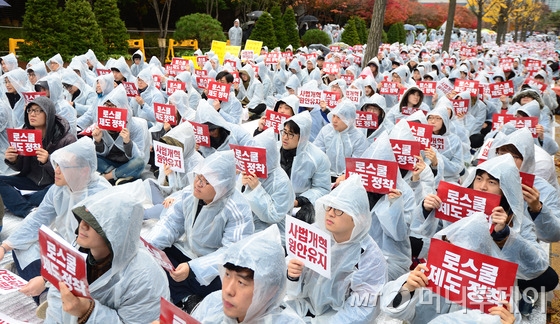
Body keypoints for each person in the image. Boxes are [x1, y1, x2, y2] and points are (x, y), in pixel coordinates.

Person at [0, 137, 111, 305]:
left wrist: (46, 279)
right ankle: (47, 293)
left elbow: (96, 252)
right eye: (57, 165)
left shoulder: (101, 196)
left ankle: (47, 292)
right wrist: (4, 247)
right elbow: (37, 220)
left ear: (84, 170)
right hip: (66, 248)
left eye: (64, 167)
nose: (56, 171)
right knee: (22, 244)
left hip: (92, 259)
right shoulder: (58, 189)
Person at [44, 187, 170, 323]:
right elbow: (57, 300)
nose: (82, 225)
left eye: (95, 223)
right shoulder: (76, 251)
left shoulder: (144, 278)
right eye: (83, 217)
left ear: (116, 230)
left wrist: (88, 312)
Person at [147, 150, 254, 306]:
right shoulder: (190, 195)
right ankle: (187, 297)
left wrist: (193, 268)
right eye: (198, 177)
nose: (198, 184)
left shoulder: (237, 209)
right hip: (190, 252)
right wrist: (150, 246)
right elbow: (170, 223)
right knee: (161, 256)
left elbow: (231, 253)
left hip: (214, 266)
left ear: (222, 186)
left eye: (206, 181)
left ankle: (186, 297)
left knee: (228, 285)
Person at [381, 213, 519, 323]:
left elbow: (513, 318)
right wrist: (407, 289)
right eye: (453, 249)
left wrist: (508, 322)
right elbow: (394, 310)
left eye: (469, 254)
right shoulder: (426, 276)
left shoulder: (495, 293)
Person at [286, 175, 388, 322]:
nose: (331, 213)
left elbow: (362, 308)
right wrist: (293, 275)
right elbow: (293, 286)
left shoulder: (369, 257)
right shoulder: (315, 233)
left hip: (338, 316)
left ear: (358, 218)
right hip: (304, 306)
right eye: (329, 207)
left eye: (339, 210)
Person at [190, 226, 304, 323]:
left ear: (270, 290)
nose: (228, 290)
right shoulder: (213, 303)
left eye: (241, 282)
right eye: (228, 275)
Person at [1, 97, 76, 217]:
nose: (32, 114)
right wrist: (13, 160)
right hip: (30, 182)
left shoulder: (66, 139)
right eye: (30, 110)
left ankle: (16, 200)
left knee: (59, 192)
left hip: (53, 185)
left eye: (37, 110)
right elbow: (22, 168)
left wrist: (48, 160)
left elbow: (70, 173)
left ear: (48, 113)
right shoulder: (25, 135)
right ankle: (27, 210)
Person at [241, 129, 294, 242]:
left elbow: (273, 216)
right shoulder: (255, 172)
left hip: (274, 234)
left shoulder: (281, 181)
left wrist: (256, 189)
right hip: (250, 227)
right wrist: (243, 186)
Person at [280, 112, 330, 220]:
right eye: (284, 132)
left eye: (290, 134)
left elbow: (322, 188)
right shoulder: (274, 150)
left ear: (302, 137)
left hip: (300, 202)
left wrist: (299, 201)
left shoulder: (317, 158)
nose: (285, 137)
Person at [92, 85, 146, 184]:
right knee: (90, 154)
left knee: (140, 163)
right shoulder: (102, 122)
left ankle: (108, 177)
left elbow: (139, 156)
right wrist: (98, 141)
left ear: (122, 106)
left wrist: (127, 142)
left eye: (112, 105)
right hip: (109, 163)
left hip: (128, 163)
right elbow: (101, 154)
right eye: (106, 105)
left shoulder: (136, 127)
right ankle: (118, 175)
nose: (108, 108)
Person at [314, 100, 369, 183]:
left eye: (339, 117)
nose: (334, 120)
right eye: (334, 116)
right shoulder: (326, 131)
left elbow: (358, 163)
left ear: (349, 120)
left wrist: (346, 176)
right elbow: (317, 152)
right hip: (324, 174)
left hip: (348, 179)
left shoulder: (358, 137)